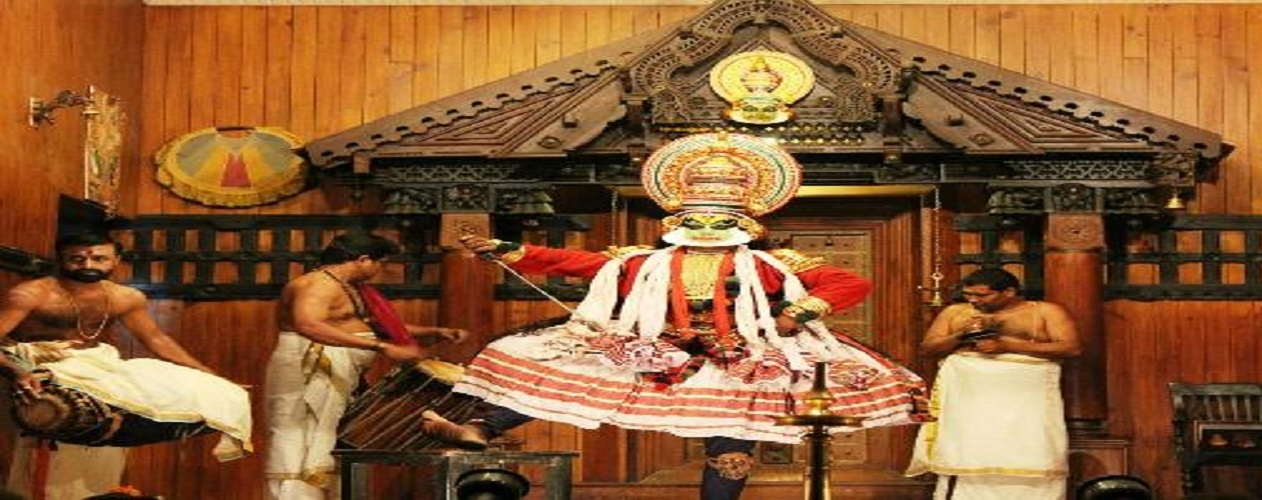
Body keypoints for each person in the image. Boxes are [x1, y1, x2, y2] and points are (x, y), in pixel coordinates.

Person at [420, 132, 927, 500]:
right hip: (654, 345)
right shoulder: (645, 259)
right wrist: (508, 249)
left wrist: (797, 312)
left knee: (731, 429)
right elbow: (578, 263)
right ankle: (481, 428)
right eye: (695, 220)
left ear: (745, 222)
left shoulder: (773, 264)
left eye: (719, 221)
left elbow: (849, 282)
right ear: (675, 220)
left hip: (741, 353)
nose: (706, 229)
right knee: (566, 368)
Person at [0, 232, 252, 499]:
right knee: (42, 458)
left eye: (99, 258)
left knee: (186, 388)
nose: (88, 265)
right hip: (37, 367)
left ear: (116, 260)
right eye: (77, 259)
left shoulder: (125, 297)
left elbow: (156, 339)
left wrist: (211, 375)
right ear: (61, 259)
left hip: (97, 365)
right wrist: (19, 371)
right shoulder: (30, 294)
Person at [263, 232, 469, 500]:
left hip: (336, 372)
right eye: (380, 263)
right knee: (299, 437)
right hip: (308, 370)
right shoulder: (317, 284)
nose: (379, 270)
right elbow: (308, 325)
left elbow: (366, 326)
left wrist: (435, 330)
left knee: (327, 438)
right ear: (363, 259)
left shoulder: (346, 287)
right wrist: (380, 347)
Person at [905, 267, 1083, 500]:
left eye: (981, 295)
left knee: (1032, 446)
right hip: (969, 399)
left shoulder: (1045, 311)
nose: (972, 300)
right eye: (969, 294)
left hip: (1026, 401)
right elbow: (927, 349)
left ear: (1009, 291)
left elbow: (1071, 347)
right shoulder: (956, 312)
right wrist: (960, 335)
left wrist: (1008, 345)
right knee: (968, 448)